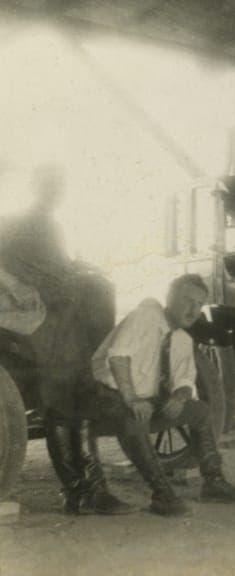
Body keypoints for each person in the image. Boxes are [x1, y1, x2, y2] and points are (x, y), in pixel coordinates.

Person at [0, 164, 130, 514]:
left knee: (80, 387)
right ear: (35, 187)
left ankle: (89, 489)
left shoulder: (51, 226)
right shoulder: (15, 222)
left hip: (63, 316)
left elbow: (59, 265)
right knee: (65, 392)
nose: (53, 193)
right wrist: (16, 286)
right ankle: (81, 491)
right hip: (30, 318)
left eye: (58, 187)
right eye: (48, 185)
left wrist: (81, 267)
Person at [86, 273, 235, 517]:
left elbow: (185, 381)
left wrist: (180, 397)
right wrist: (132, 399)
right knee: (135, 417)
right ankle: (162, 495)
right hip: (103, 397)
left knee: (200, 411)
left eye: (199, 304)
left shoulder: (182, 339)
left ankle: (214, 482)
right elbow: (118, 357)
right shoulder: (144, 317)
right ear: (170, 298)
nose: (193, 310)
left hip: (141, 402)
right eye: (187, 301)